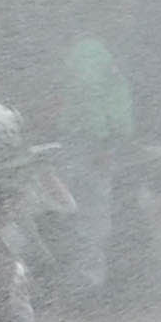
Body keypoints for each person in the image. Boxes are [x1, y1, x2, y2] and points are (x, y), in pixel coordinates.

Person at [52, 33, 136, 301]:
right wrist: (107, 139)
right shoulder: (94, 52)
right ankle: (86, 284)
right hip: (94, 144)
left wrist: (100, 138)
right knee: (91, 215)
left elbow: (86, 93)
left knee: (76, 212)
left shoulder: (87, 51)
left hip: (84, 143)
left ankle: (78, 285)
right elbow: (93, 94)